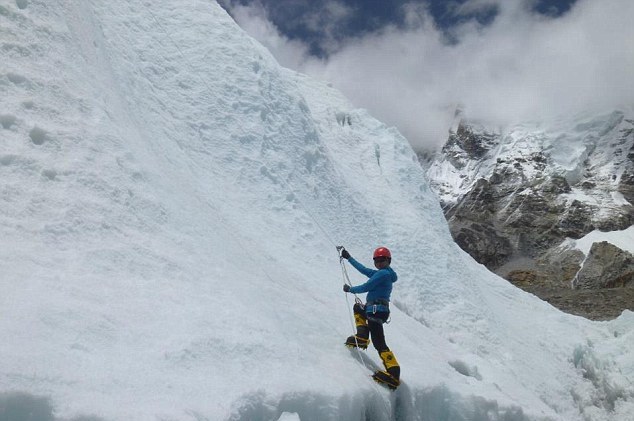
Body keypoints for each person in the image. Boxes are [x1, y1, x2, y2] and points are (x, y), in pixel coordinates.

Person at [340, 246, 400, 388]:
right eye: (376, 260)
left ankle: (394, 373)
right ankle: (362, 336)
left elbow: (367, 286)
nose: (379, 262)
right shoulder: (383, 273)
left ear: (388, 260)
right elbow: (363, 270)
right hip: (376, 309)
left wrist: (350, 289)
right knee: (358, 308)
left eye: (382, 260)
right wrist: (349, 258)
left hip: (376, 310)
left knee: (379, 342)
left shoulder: (383, 274)